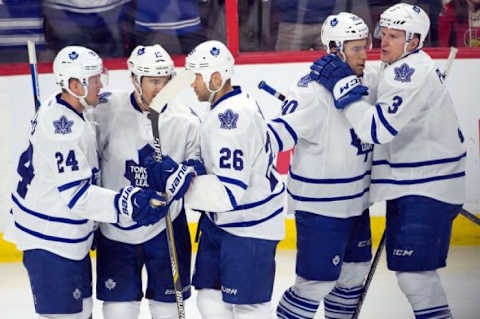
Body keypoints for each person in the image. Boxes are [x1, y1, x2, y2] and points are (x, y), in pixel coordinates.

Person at [311, 3, 466, 318]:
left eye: (394, 36)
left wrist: (343, 89)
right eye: (383, 33)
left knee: (415, 277)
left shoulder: (410, 74)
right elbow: (375, 83)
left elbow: (375, 129)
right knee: (413, 276)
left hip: (427, 189)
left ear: (414, 41)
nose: (384, 41)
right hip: (414, 187)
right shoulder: (398, 66)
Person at [3, 45, 169, 319]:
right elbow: (78, 196)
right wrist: (127, 200)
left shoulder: (67, 110)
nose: (99, 85)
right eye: (93, 80)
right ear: (72, 84)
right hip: (51, 243)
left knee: (83, 314)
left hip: (68, 239)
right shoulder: (62, 132)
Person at [147, 40, 286, 318]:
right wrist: (191, 166)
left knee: (250, 309)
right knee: (209, 298)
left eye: (196, 76)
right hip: (220, 224)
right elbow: (216, 163)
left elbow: (228, 195)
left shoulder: (231, 119)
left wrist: (177, 185)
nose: (191, 84)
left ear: (216, 78)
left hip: (249, 228)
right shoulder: (227, 105)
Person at [266, 13, 376, 319]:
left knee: (353, 279)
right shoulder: (312, 92)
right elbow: (275, 136)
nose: (364, 55)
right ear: (335, 50)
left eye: (364, 46)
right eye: (355, 49)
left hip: (357, 205)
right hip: (321, 211)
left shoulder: (364, 82)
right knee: (316, 284)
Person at [90, 44, 201, 319]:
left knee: (168, 313)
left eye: (165, 81)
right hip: (115, 231)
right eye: (153, 81)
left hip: (166, 231)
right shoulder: (104, 111)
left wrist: (182, 173)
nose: (160, 88)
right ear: (134, 79)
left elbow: (198, 163)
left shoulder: (185, 120)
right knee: (118, 312)